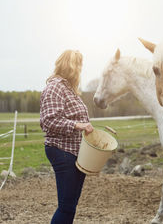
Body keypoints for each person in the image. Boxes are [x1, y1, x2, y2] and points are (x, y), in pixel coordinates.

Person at [40, 49, 94, 224]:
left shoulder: (69, 89)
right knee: (66, 206)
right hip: (62, 150)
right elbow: (48, 121)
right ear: (71, 66)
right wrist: (78, 125)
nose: (80, 70)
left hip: (75, 151)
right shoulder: (55, 87)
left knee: (70, 205)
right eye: (79, 65)